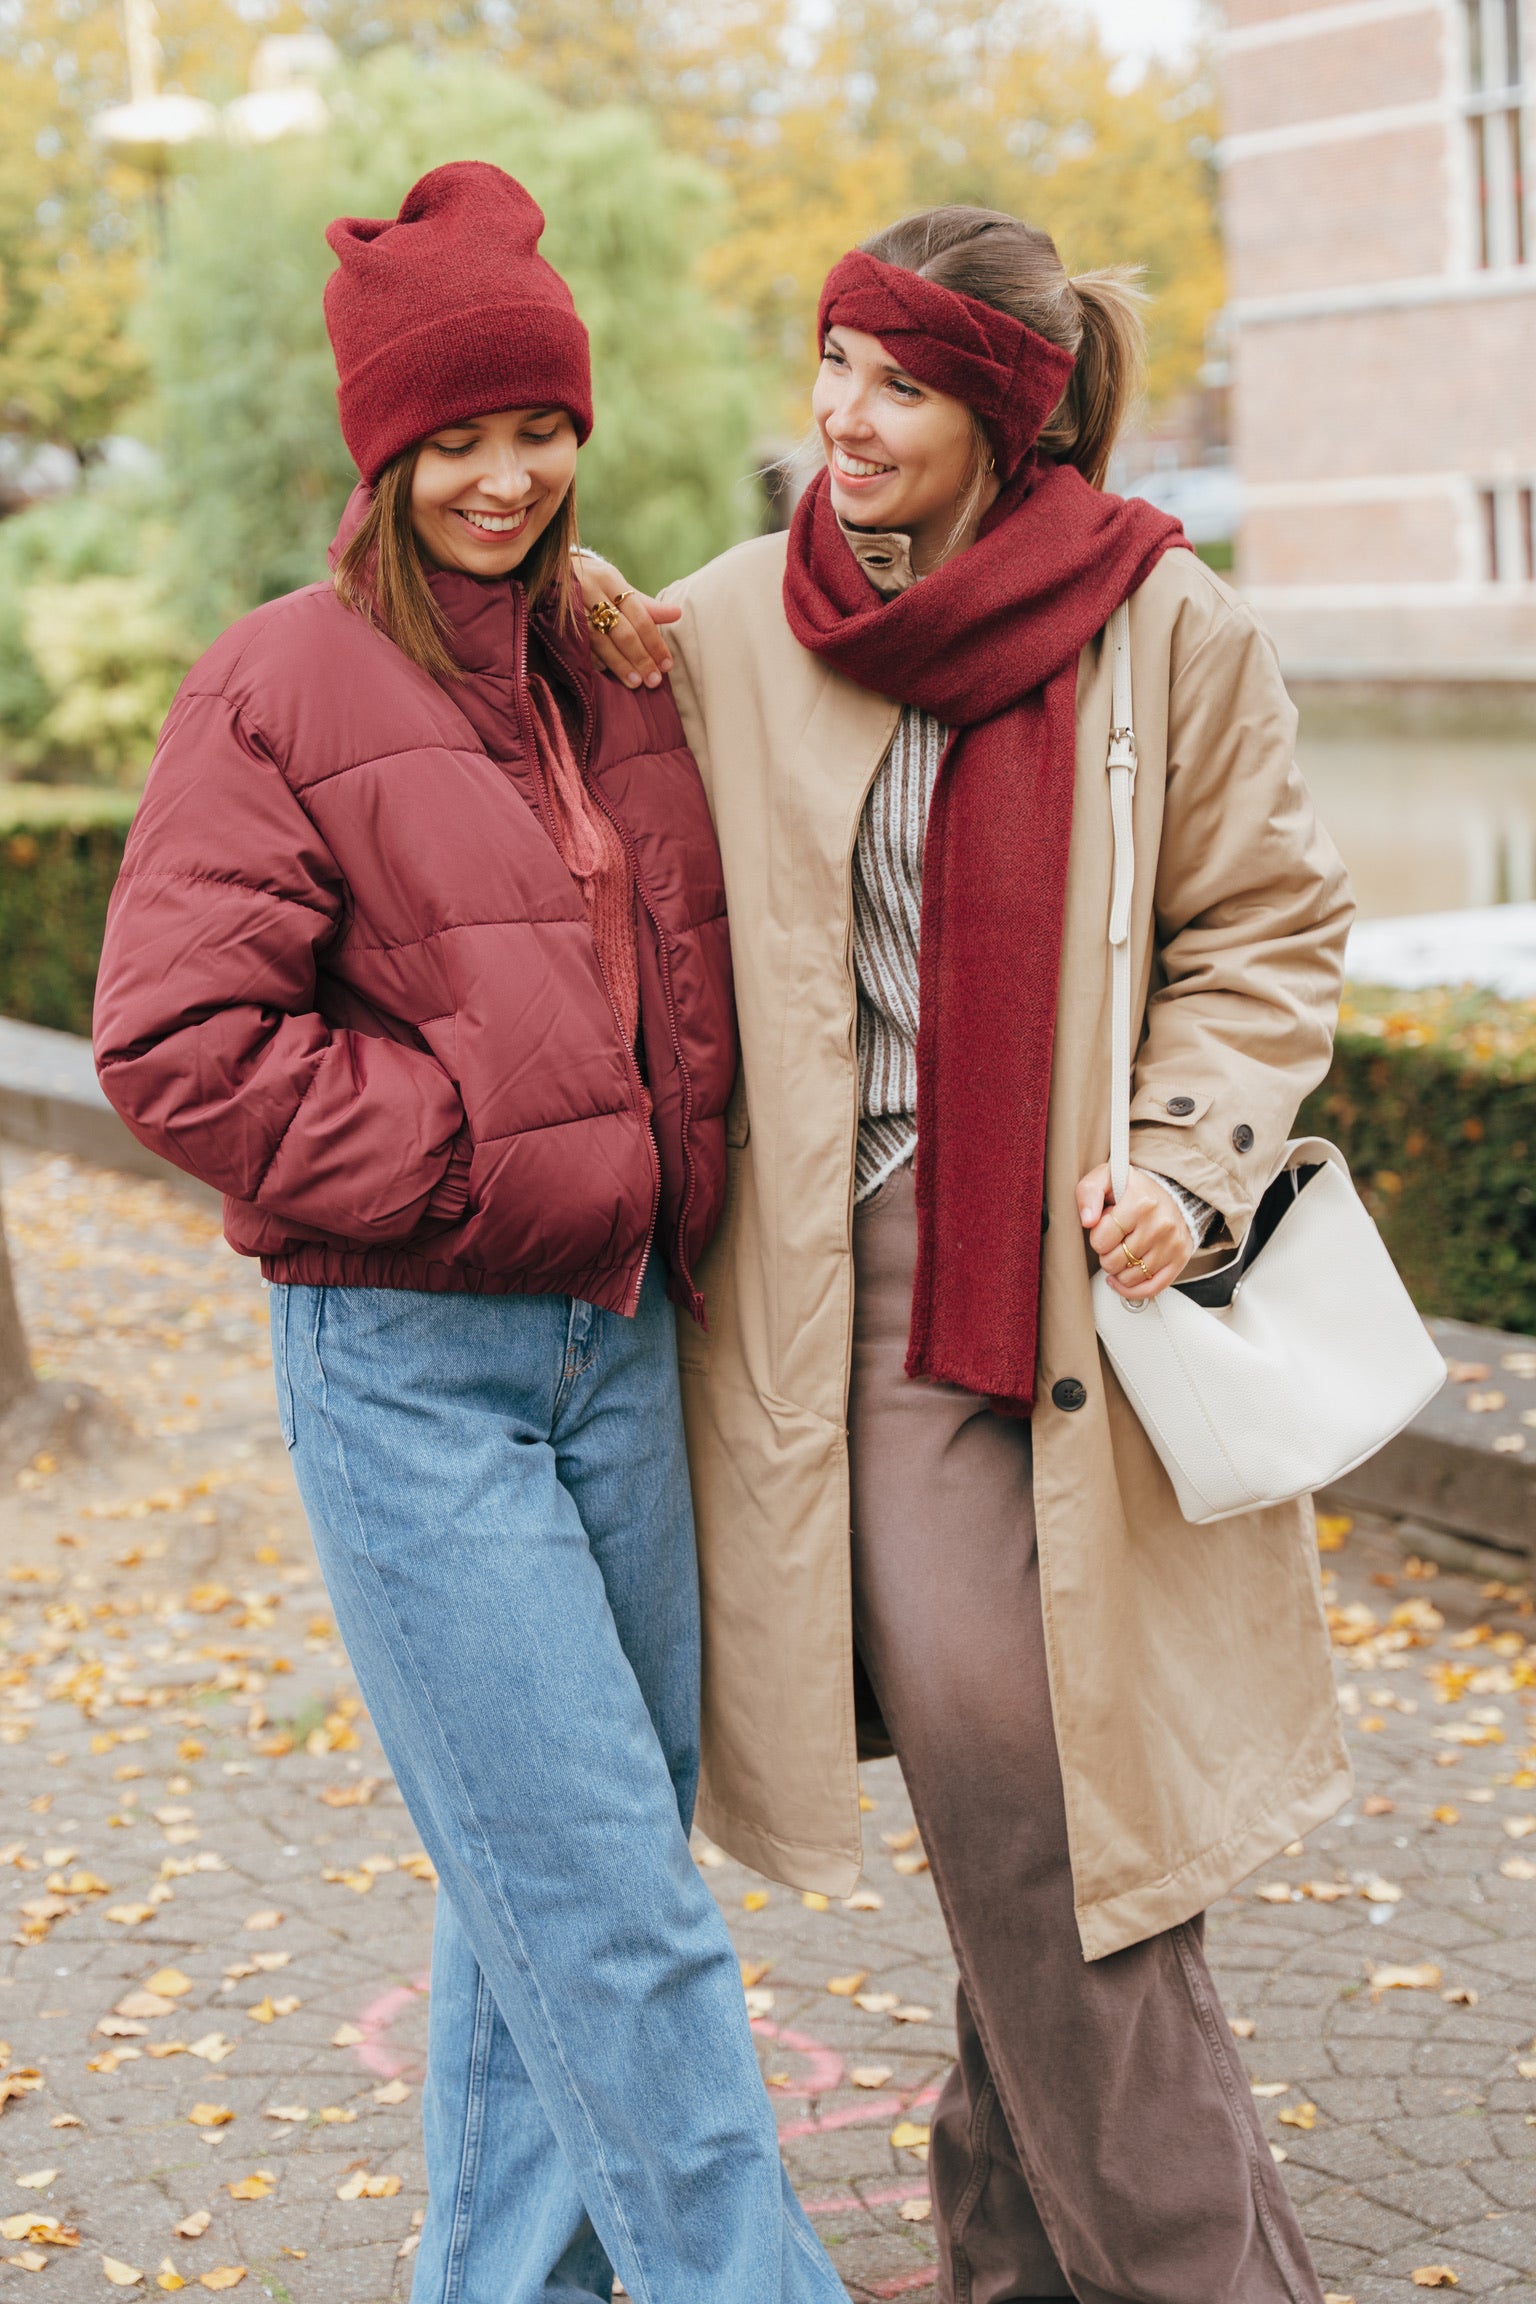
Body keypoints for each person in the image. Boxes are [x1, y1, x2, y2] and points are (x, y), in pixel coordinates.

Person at [575, 205, 1354, 2304]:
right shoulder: (738, 619)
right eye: (830, 364)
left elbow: (1268, 934)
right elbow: (566, 765)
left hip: (1096, 1299)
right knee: (1040, 1812)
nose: (840, 416)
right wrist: (536, 594)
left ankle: (1016, 2254)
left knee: (1052, 1826)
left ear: (1005, 419)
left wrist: (1186, 1160)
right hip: (875, 1310)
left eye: (899, 385)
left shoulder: (1164, 629)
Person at [93, 161, 848, 2304]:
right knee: (611, 1903)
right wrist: (464, 1148)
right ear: (380, 452)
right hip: (411, 1372)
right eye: (454, 436)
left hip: (617, 1362)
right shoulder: (281, 684)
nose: (503, 473)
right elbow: (172, 1041)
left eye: (538, 428)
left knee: (547, 1899)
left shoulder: (621, 669)